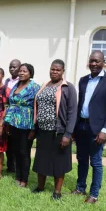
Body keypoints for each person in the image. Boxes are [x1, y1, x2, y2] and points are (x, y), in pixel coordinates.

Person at [72, 51, 106, 204]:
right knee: (81, 159)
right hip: (81, 126)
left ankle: (94, 194)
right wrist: (74, 128)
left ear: (104, 62)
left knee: (96, 162)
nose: (93, 64)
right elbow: (81, 105)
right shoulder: (83, 80)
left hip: (97, 130)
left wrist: (105, 131)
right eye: (91, 61)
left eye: (97, 61)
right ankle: (80, 188)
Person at [32, 59, 77, 200]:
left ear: (63, 71)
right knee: (41, 159)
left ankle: (57, 192)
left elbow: (72, 112)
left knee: (59, 162)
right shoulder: (44, 85)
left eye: (57, 70)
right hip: (43, 130)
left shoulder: (68, 88)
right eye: (52, 69)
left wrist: (67, 134)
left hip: (59, 132)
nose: (54, 72)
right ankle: (40, 187)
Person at [4, 63, 40, 187]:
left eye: (24, 71)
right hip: (13, 123)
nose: (21, 73)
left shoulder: (35, 87)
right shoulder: (15, 85)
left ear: (30, 73)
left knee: (24, 152)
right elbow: (10, 104)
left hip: (27, 124)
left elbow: (37, 108)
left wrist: (34, 128)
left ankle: (24, 179)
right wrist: (7, 123)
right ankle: (17, 175)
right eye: (20, 71)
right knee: (16, 151)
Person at [5, 59, 21, 173]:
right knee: (8, 141)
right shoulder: (7, 81)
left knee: (17, 142)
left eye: (14, 67)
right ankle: (10, 165)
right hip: (8, 113)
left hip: (18, 115)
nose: (12, 69)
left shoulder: (22, 81)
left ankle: (16, 165)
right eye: (10, 67)